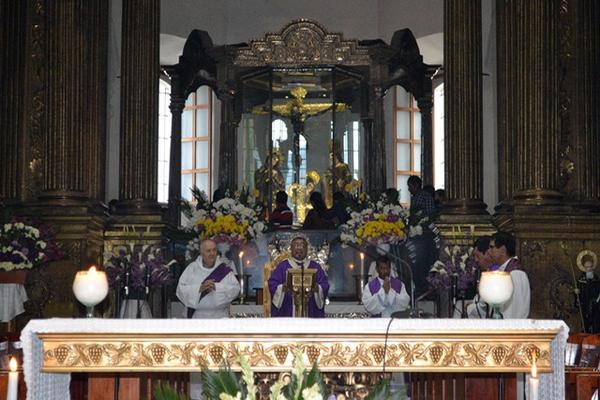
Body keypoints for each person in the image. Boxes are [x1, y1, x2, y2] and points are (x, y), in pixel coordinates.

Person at [468, 231, 530, 319]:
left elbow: (514, 312)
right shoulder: (505, 270)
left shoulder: (515, 273)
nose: (488, 252)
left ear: (503, 250)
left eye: (492, 247)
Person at [176, 238, 240, 318]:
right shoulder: (192, 268)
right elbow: (180, 290)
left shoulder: (224, 270)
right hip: (197, 317)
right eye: (208, 251)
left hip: (220, 317)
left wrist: (217, 287)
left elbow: (235, 289)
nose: (212, 253)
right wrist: (199, 288)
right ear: (201, 252)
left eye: (214, 250)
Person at [268, 235, 329, 317]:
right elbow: (272, 284)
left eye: (302, 246)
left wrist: (317, 288)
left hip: (310, 311)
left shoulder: (315, 266)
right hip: (288, 312)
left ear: (307, 249)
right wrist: (282, 287)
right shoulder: (282, 266)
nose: (299, 249)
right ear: (291, 249)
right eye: (296, 246)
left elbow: (324, 284)